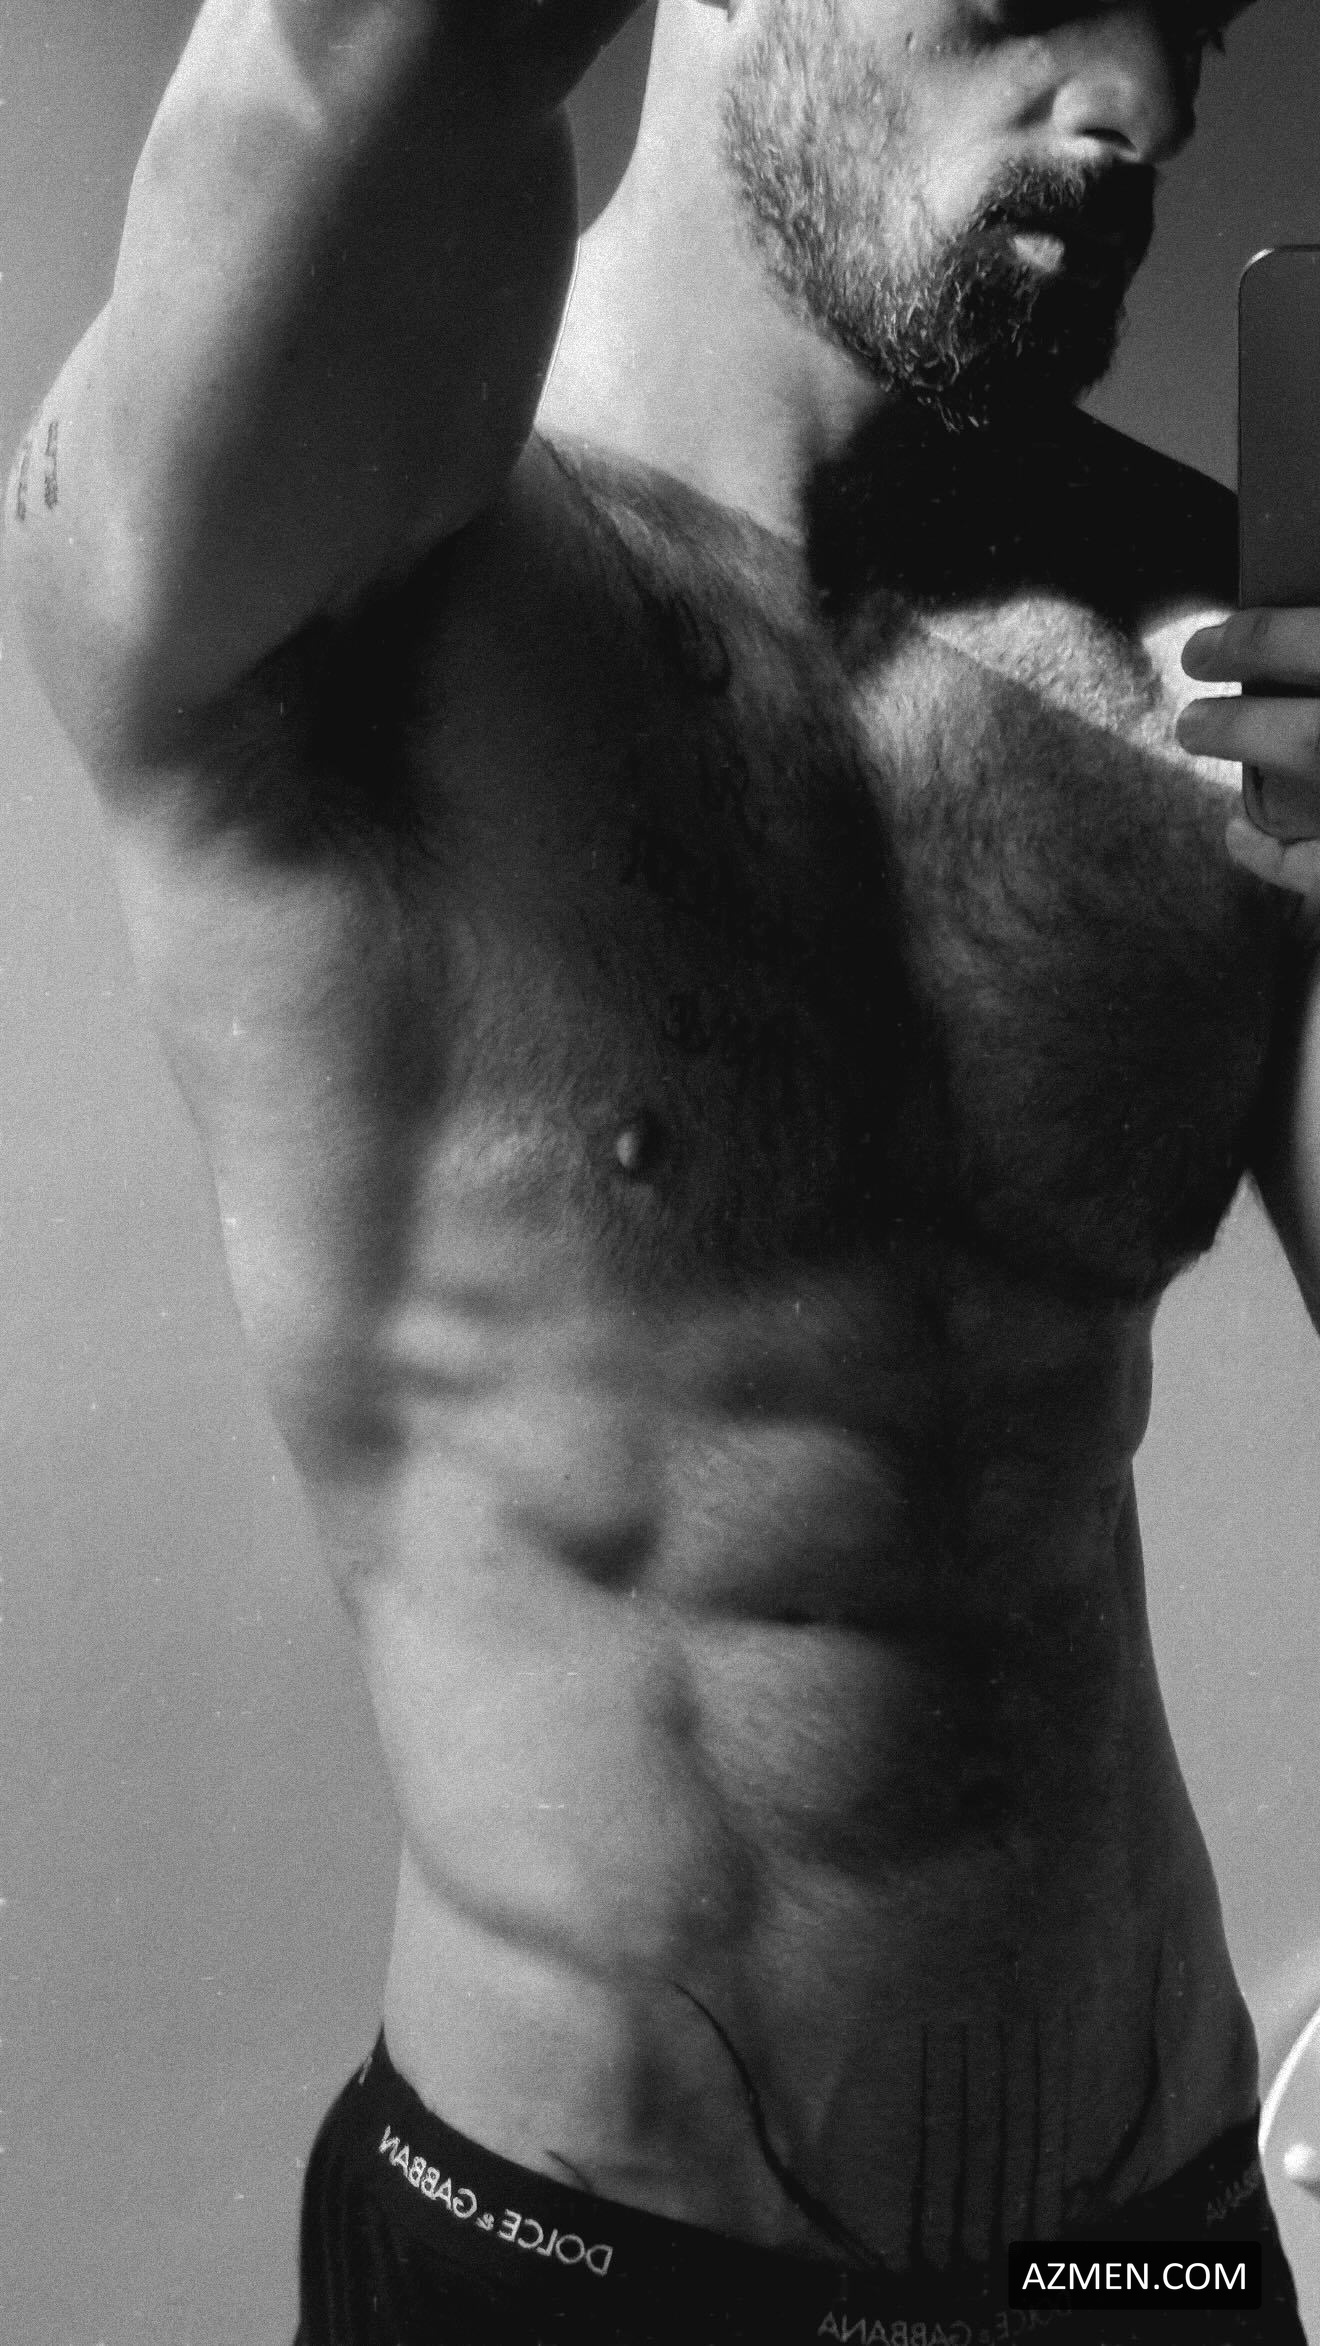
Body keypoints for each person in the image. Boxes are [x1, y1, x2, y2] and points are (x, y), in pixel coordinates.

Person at [8, 2, 1320, 2339]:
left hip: (1147, 2253)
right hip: (592, 2268)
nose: (1142, 101)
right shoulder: (331, 585)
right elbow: (340, 74)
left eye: (1195, 16)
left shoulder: (1215, 650)